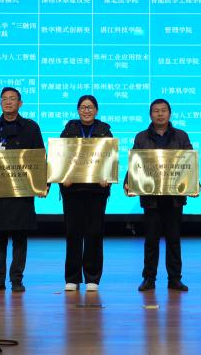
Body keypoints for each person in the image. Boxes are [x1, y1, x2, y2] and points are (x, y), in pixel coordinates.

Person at [0, 87, 46, 293]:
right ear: (0, 103)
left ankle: (17, 279)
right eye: (4, 99)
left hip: (22, 193)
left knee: (20, 238)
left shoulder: (31, 127)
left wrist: (43, 183)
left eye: (12, 99)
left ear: (20, 103)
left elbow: (40, 158)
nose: (8, 102)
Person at [124, 99, 195, 292]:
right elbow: (135, 163)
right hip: (151, 198)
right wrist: (128, 182)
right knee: (151, 241)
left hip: (174, 198)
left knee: (174, 240)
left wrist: (194, 183)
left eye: (164, 110)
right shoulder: (141, 137)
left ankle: (175, 279)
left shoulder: (181, 136)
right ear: (150, 115)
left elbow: (189, 163)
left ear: (170, 114)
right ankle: (149, 278)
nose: (160, 114)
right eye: (156, 111)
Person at [59, 95, 112, 292]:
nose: (86, 111)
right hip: (72, 190)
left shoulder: (104, 131)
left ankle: (92, 278)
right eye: (83, 107)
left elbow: (110, 159)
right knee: (73, 233)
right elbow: (59, 158)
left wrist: (107, 177)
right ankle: (72, 278)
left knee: (94, 233)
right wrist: (63, 177)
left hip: (97, 191)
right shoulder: (68, 130)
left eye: (90, 107)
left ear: (96, 110)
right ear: (78, 110)